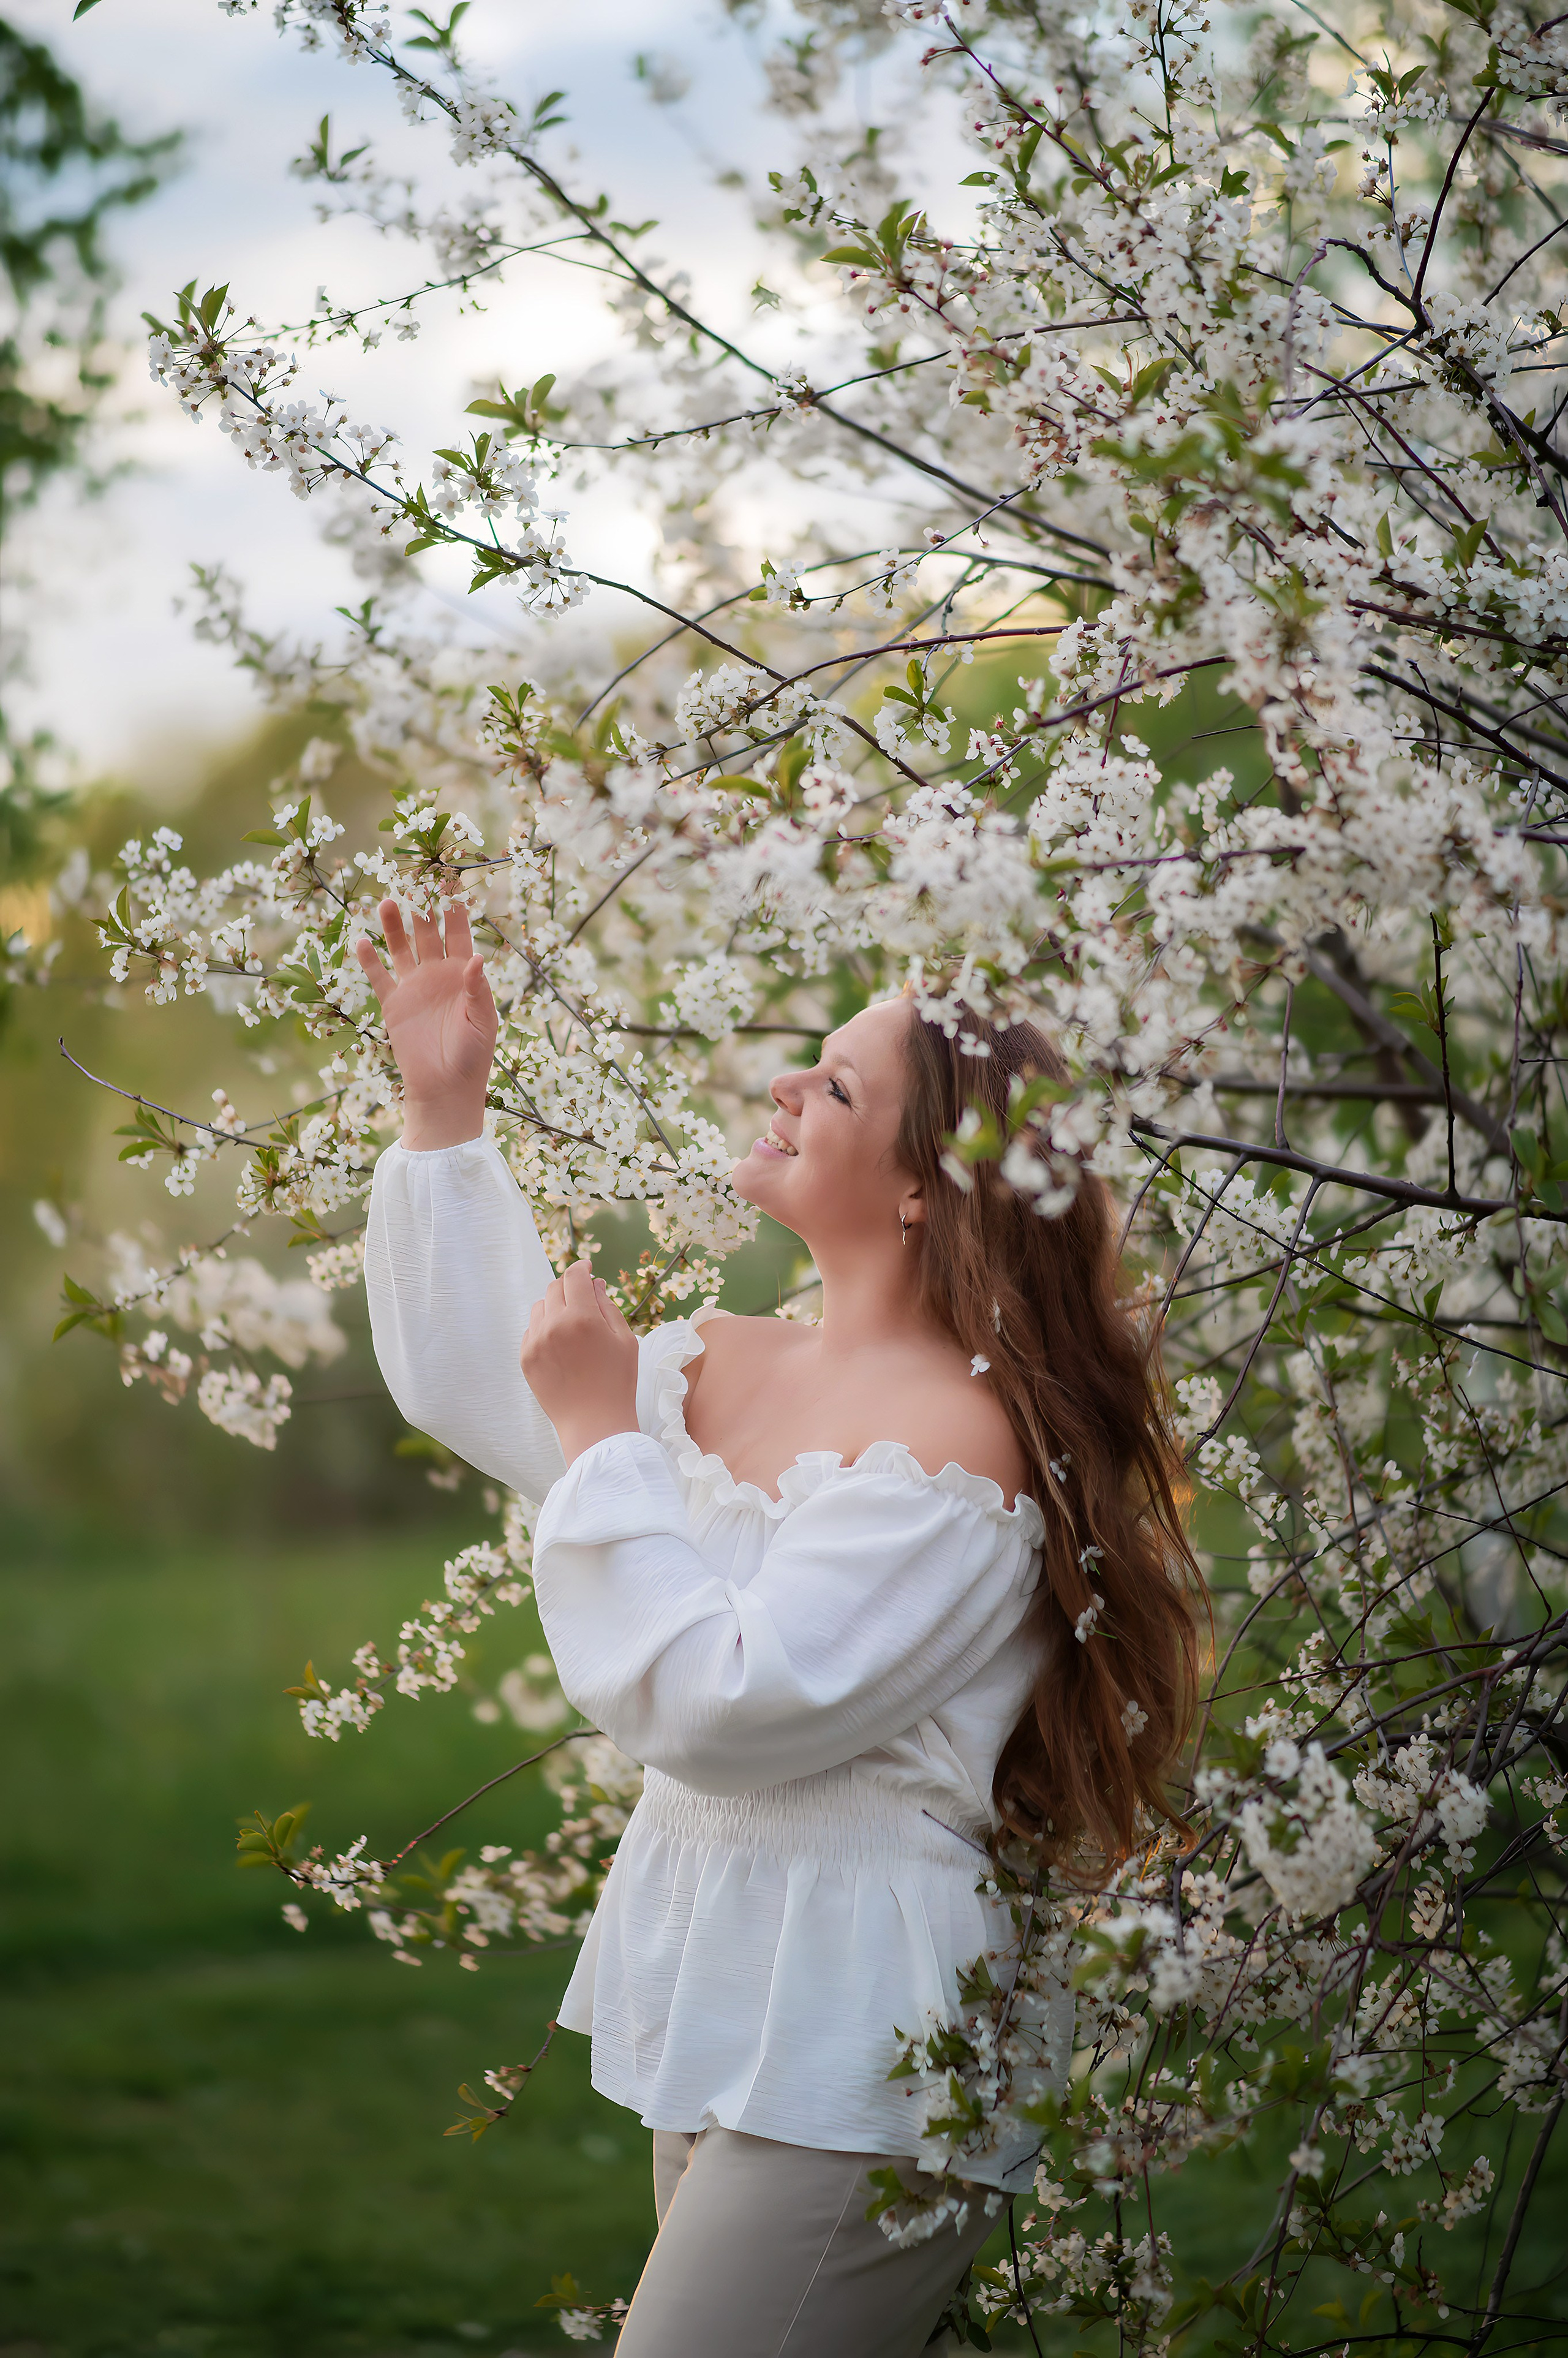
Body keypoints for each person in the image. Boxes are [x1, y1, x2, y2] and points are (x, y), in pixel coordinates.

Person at [357, 898, 1200, 2357]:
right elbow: (476, 1383)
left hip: (861, 2030)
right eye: (805, 1063)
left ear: (929, 1187)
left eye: (836, 1085)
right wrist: (445, 1108)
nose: (785, 1089)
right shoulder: (725, 1357)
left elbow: (724, 1701)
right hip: (728, 1978)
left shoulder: (960, 1449)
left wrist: (593, 1431)